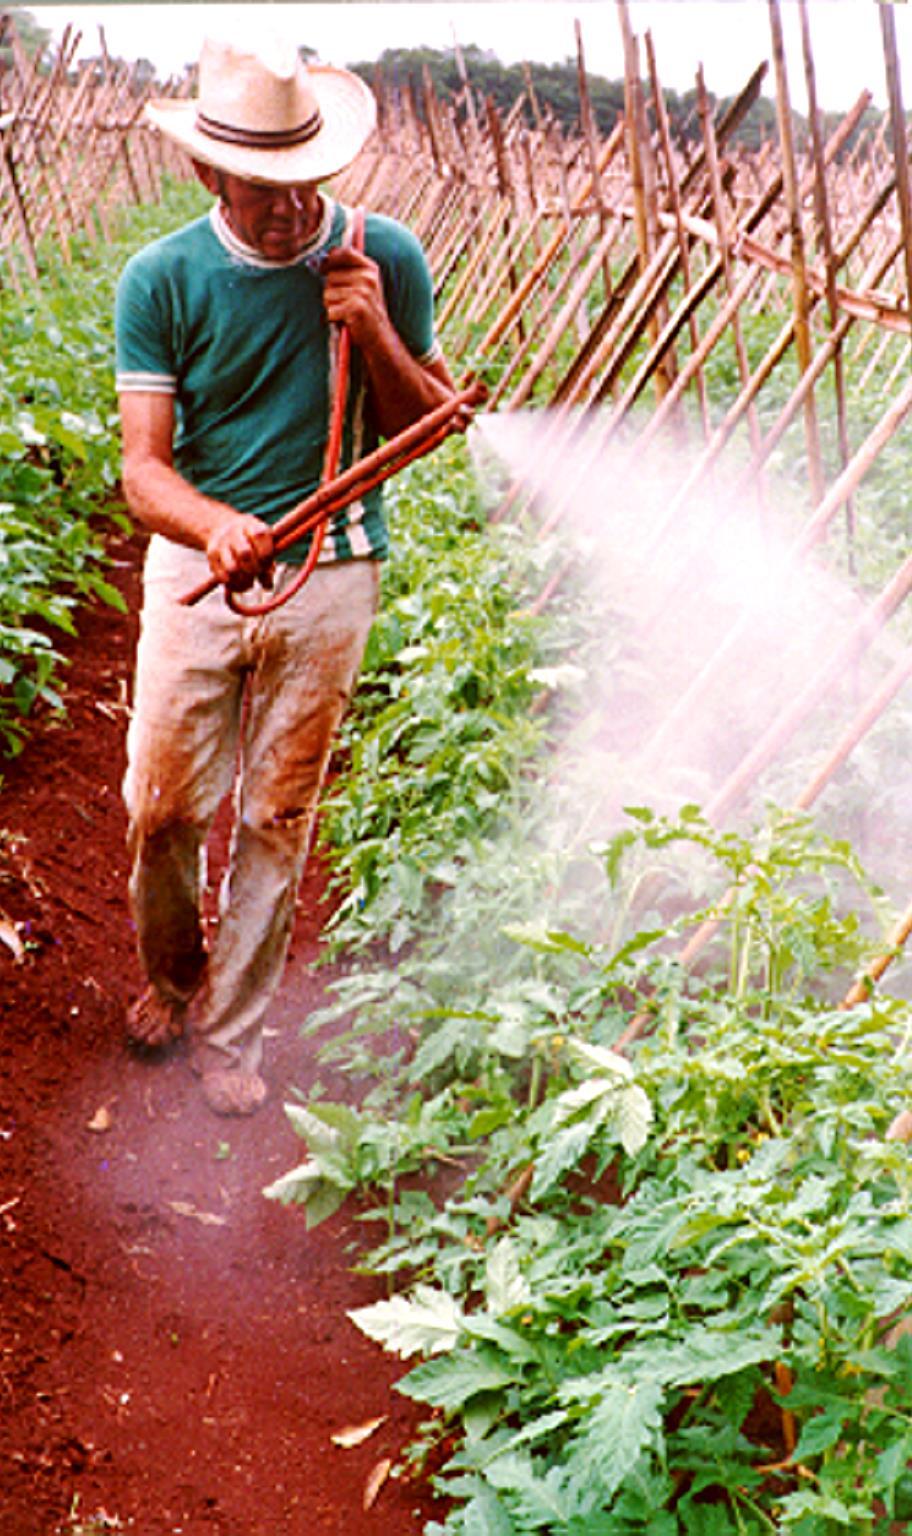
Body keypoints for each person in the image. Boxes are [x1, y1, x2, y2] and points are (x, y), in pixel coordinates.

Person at [115, 35, 456, 1115]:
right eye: (262, 189)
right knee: (162, 807)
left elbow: (430, 424)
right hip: (197, 578)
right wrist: (215, 528)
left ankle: (232, 1034)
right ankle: (174, 977)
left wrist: (377, 333)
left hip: (333, 576)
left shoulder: (382, 255)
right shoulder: (162, 278)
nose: (287, 208)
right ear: (211, 174)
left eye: (303, 181)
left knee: (276, 812)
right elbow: (143, 471)